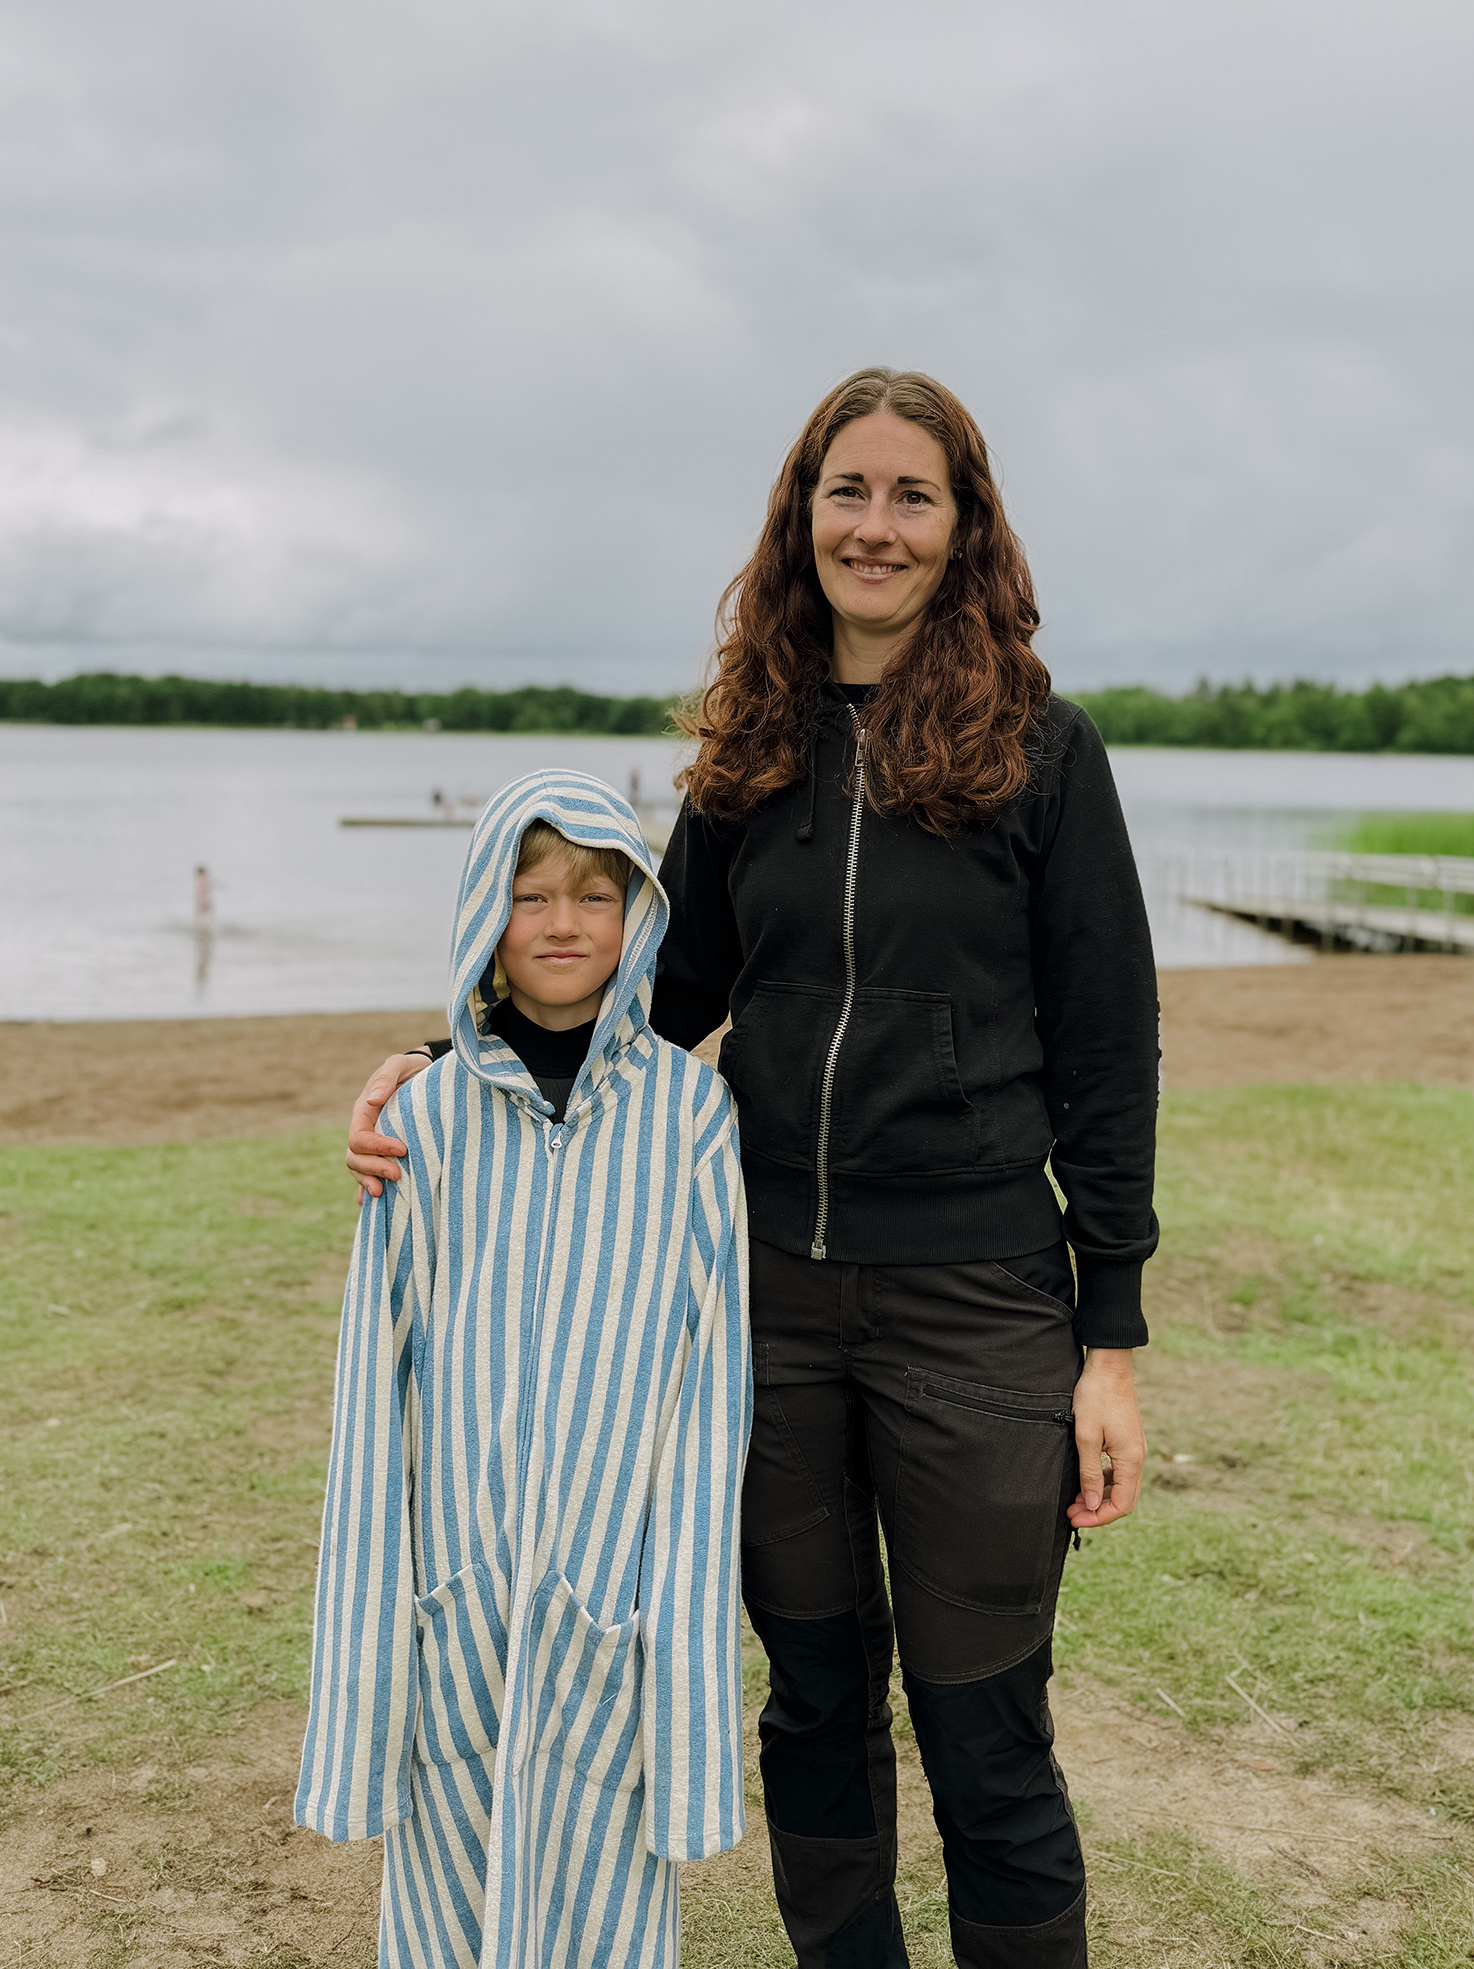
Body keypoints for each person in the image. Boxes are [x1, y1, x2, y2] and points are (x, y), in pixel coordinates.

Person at [350, 368, 1159, 1969]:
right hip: (763, 1301)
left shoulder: (1046, 755)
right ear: (802, 518)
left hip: (979, 1305)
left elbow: (1107, 1050)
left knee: (984, 1720)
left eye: (911, 495)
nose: (875, 524)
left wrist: (1109, 1337)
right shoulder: (754, 748)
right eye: (844, 492)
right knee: (812, 1699)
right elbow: (667, 992)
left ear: (963, 526)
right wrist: (457, 1055)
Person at [299, 769, 750, 1969]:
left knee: (602, 1895)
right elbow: (370, 1397)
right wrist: (381, 1619)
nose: (562, 922)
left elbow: (715, 1399)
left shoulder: (691, 1118)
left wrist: (678, 1620)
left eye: (596, 895)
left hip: (611, 1589)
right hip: (456, 1587)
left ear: (640, 914)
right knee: (445, 1895)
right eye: (530, 892)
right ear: (483, 917)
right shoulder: (428, 1123)